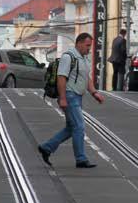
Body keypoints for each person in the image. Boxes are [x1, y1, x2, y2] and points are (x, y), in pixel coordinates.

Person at [38, 32, 103, 169]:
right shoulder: (69, 57)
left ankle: (46, 148)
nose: (89, 49)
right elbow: (61, 77)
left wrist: (94, 93)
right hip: (69, 95)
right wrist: (62, 98)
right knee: (79, 126)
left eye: (90, 46)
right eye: (87, 45)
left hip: (77, 96)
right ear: (79, 43)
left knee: (71, 128)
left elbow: (87, 78)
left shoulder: (84, 58)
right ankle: (81, 159)